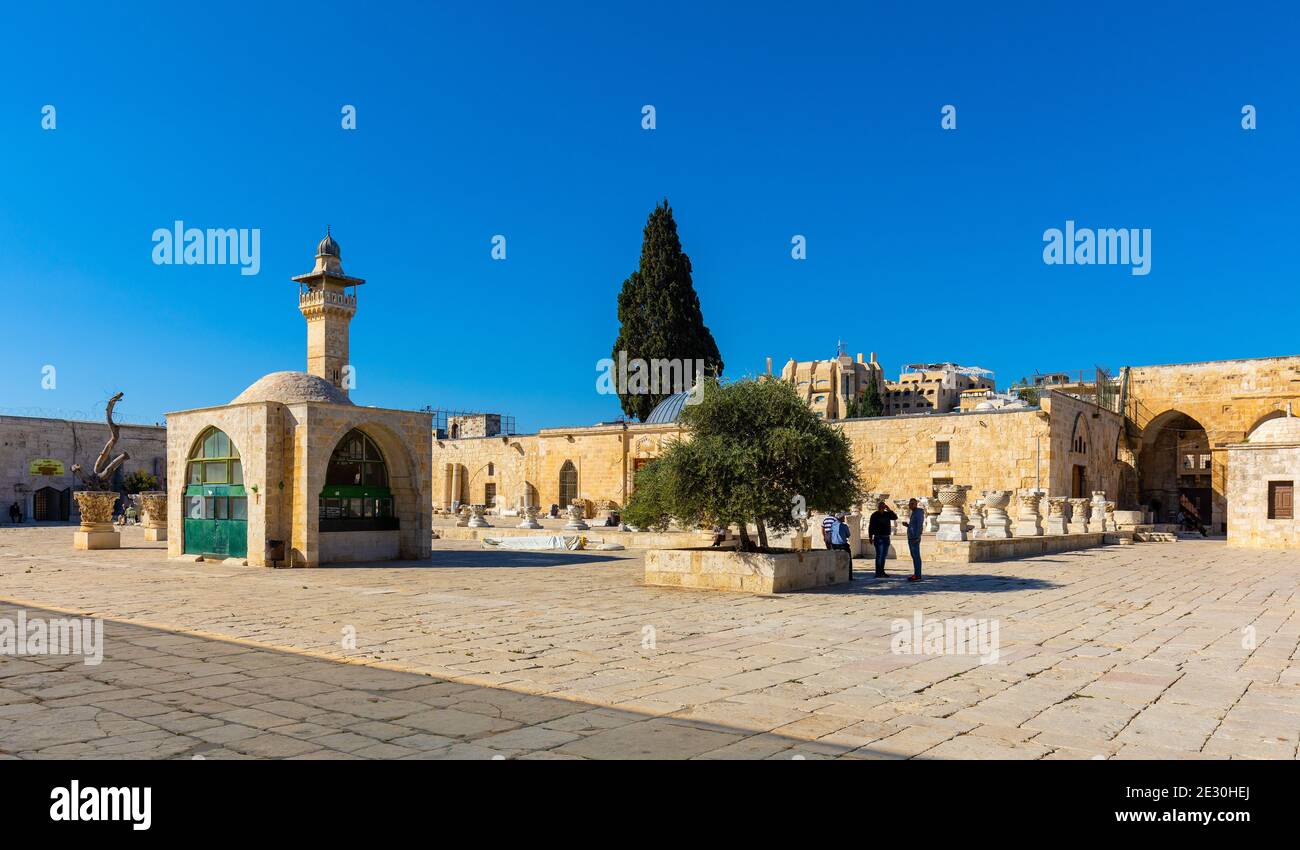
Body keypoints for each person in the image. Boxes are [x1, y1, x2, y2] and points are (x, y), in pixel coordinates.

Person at [866, 500, 897, 577]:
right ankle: (878, 572)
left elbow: (895, 517)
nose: (882, 508)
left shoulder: (887, 514)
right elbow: (871, 527)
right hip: (878, 537)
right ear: (878, 507)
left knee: (883, 555)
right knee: (879, 555)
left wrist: (889, 510)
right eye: (881, 506)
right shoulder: (874, 515)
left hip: (886, 537)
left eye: (883, 506)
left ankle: (881, 572)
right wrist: (870, 537)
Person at [901, 498, 925, 581]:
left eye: (912, 504)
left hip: (914, 538)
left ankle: (917, 575)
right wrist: (907, 525)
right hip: (911, 537)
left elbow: (919, 525)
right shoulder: (914, 512)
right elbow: (914, 526)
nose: (910, 505)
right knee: (914, 556)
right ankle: (916, 574)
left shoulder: (918, 513)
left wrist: (918, 536)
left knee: (916, 556)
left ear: (916, 504)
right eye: (910, 504)